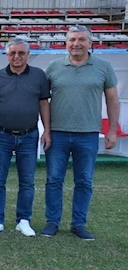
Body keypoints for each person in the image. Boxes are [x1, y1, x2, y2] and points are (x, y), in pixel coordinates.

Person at [42, 26, 120, 241]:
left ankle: (78, 224)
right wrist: (46, 130)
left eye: (81, 40)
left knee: (84, 181)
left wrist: (112, 130)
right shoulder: (54, 67)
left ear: (90, 43)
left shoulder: (103, 67)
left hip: (88, 134)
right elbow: (42, 100)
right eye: (72, 40)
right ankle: (52, 222)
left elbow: (112, 99)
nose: (76, 43)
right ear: (66, 43)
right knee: (54, 179)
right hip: (57, 133)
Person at [0, 39, 51, 237]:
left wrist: (47, 130)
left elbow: (44, 104)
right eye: (12, 53)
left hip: (29, 135)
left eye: (21, 53)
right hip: (0, 134)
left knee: (27, 181)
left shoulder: (39, 75)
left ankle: (24, 220)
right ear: (6, 55)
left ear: (28, 54)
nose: (17, 57)